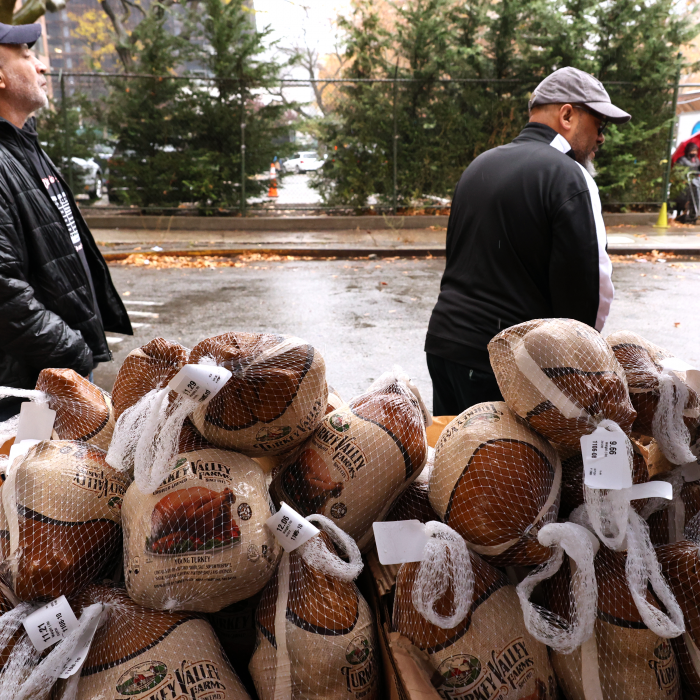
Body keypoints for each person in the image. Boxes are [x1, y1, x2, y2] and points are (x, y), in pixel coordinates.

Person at [425, 66, 631, 416]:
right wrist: (581, 365)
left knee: (454, 460)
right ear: (567, 114)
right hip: (507, 363)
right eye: (599, 124)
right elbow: (592, 289)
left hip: (444, 346)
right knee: (509, 469)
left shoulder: (481, 164)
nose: (601, 138)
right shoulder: (569, 175)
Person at [0, 22, 131, 420]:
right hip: (30, 389)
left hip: (54, 372)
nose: (41, 66)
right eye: (26, 55)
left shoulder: (26, 147)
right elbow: (4, 289)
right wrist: (72, 350)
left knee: (57, 476)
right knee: (27, 474)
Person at [674, 142, 700, 223]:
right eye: (692, 151)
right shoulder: (682, 160)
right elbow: (677, 171)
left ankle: (695, 212)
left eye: (695, 151)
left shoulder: (697, 160)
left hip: (696, 181)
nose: (694, 153)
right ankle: (684, 213)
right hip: (686, 182)